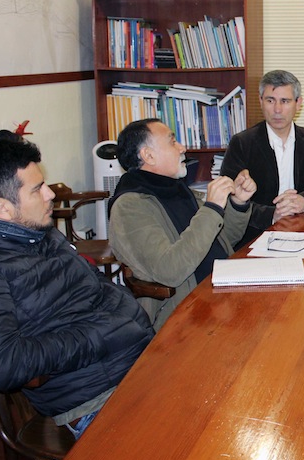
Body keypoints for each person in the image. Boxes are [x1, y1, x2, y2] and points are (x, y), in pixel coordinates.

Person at [0, 139, 154, 439]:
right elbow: (2, 365)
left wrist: (124, 318)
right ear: (2, 207)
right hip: (94, 397)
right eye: (37, 189)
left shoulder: (39, 232)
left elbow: (95, 283)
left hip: (139, 361)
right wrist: (101, 335)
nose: (50, 194)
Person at [108, 119, 256, 330]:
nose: (182, 148)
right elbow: (170, 270)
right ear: (148, 155)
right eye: (172, 142)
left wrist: (238, 203)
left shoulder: (178, 191)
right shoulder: (130, 207)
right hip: (188, 313)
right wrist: (212, 208)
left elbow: (223, 240)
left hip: (224, 291)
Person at [220, 70, 304, 246]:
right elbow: (228, 198)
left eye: (285, 101)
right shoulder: (242, 143)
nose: (277, 110)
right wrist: (273, 215)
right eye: (270, 100)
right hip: (256, 236)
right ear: (261, 101)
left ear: (298, 104)